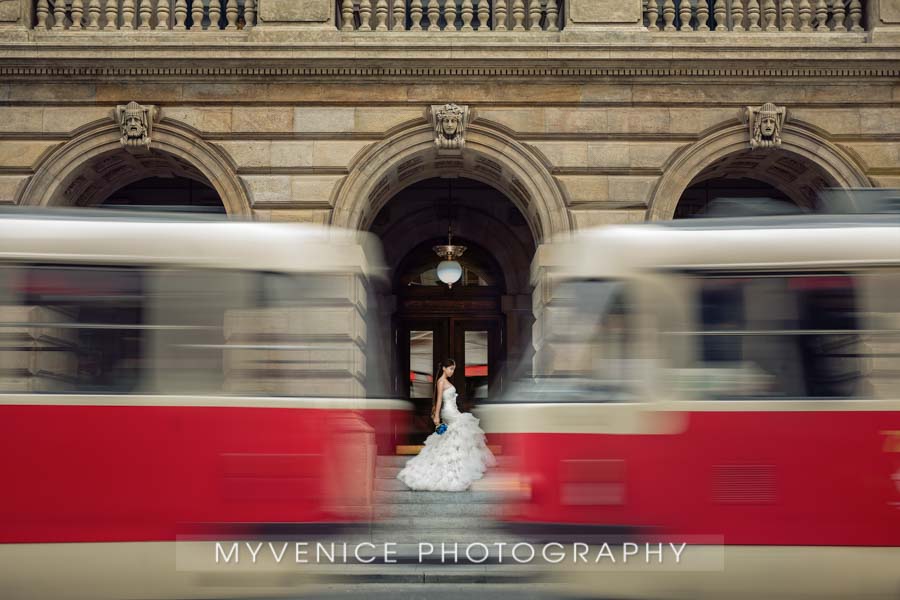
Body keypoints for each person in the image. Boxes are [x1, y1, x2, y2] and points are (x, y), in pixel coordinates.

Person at [396, 358, 496, 491]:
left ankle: (457, 464)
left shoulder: (446, 381)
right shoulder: (441, 381)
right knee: (463, 428)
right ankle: (455, 466)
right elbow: (438, 401)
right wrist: (436, 416)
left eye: (453, 369)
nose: (452, 371)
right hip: (448, 411)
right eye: (450, 369)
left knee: (456, 434)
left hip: (452, 410)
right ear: (444, 368)